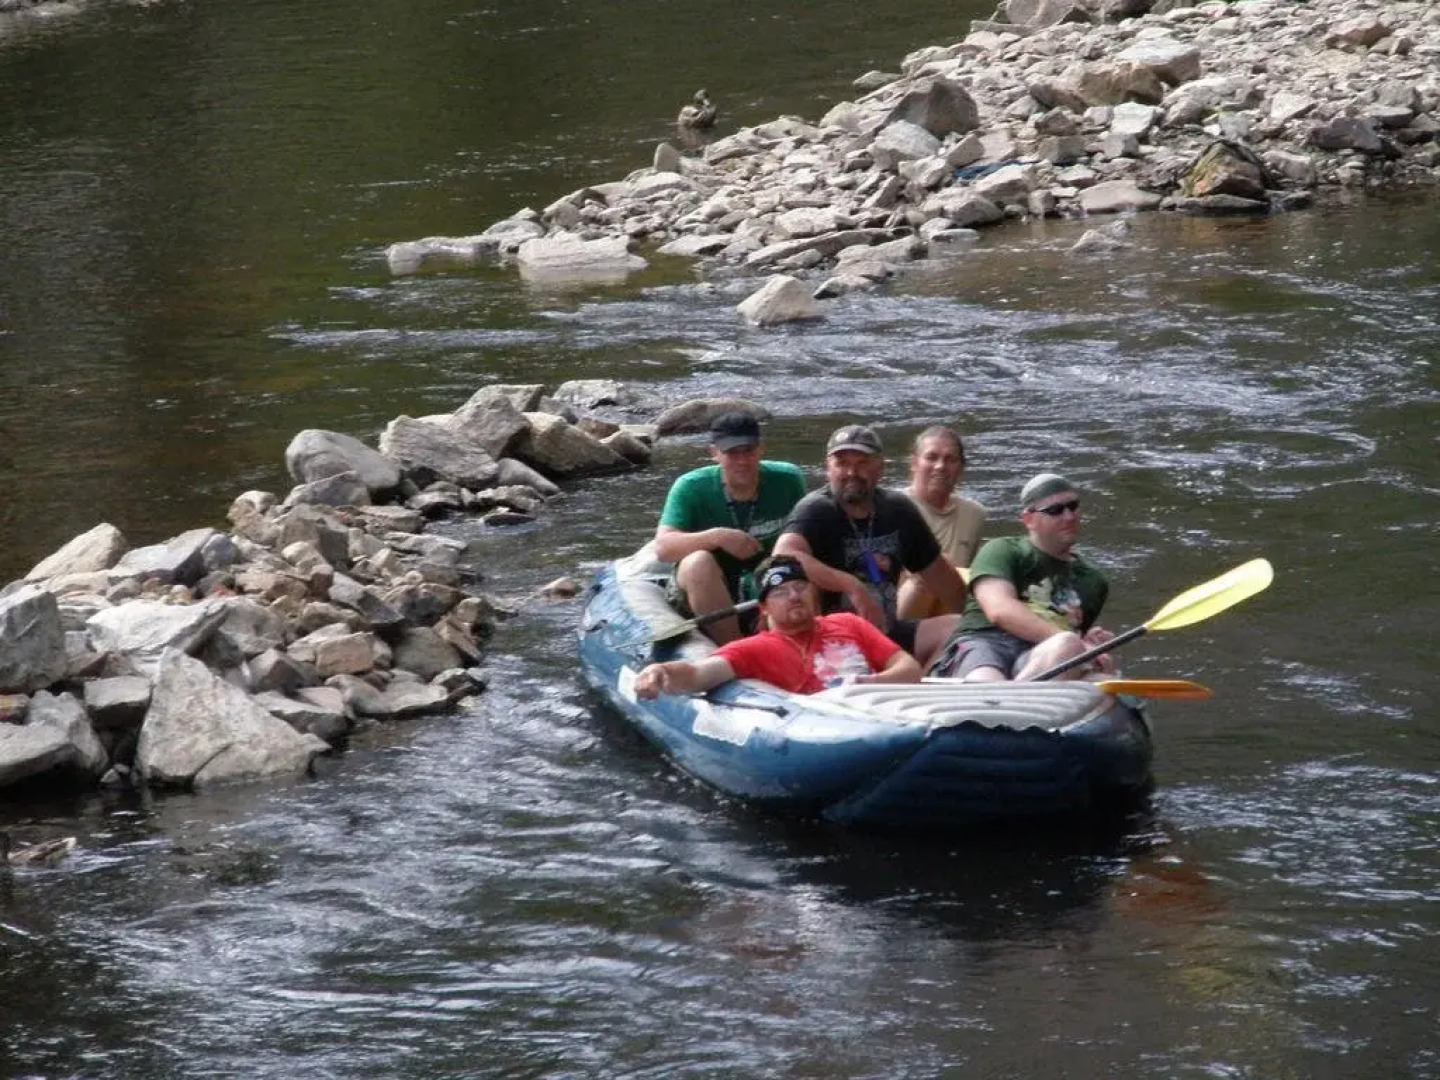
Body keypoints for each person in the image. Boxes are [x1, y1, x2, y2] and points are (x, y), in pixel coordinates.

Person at [772, 424, 967, 672]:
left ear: (880, 468)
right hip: (831, 639)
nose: (852, 472)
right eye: (842, 463)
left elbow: (942, 578)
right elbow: (784, 556)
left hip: (886, 633)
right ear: (828, 468)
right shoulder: (816, 509)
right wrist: (851, 586)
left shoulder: (898, 509)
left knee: (959, 628)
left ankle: (918, 683)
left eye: (862, 463)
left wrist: (980, 618)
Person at [633, 555, 921, 699]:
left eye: (799, 587)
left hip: (880, 707)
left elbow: (908, 667)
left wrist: (869, 684)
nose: (794, 595)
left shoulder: (849, 623)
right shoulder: (755, 649)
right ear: (765, 608)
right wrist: (662, 671)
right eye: (781, 592)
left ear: (813, 593)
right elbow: (699, 674)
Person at [937, 472, 1114, 682]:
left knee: (1091, 663)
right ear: (1029, 519)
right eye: (1055, 510)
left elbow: (1073, 639)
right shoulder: (1002, 550)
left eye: (1073, 506)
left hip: (1043, 653)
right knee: (988, 679)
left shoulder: (1093, 581)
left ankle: (1014, 698)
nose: (1069, 516)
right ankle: (1010, 700)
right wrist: (1073, 640)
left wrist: (1089, 644)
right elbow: (999, 610)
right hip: (986, 643)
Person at [652, 411, 807, 644]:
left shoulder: (788, 479)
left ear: (761, 448)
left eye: (749, 451)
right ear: (714, 453)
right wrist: (718, 537)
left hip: (766, 579)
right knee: (698, 562)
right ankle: (733, 650)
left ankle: (793, 642)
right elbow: (663, 548)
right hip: (709, 583)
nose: (742, 461)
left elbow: (805, 536)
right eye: (732, 453)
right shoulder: (691, 487)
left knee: (797, 555)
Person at [896, 425, 985, 619]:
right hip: (902, 609)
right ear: (914, 463)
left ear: (961, 467)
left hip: (951, 608)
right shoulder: (893, 507)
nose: (940, 466)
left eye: (950, 459)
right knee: (928, 575)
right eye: (931, 457)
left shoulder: (974, 514)